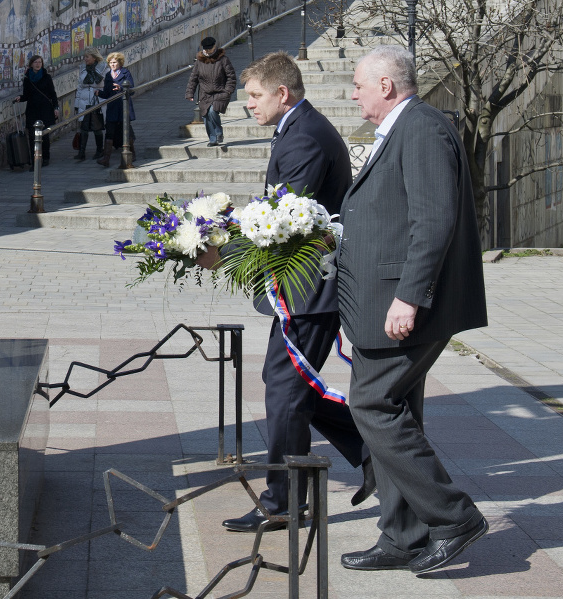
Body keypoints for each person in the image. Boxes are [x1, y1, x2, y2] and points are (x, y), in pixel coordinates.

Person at [197, 52, 375, 533]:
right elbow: (277, 210)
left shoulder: (305, 138)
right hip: (303, 286)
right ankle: (374, 448)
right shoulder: (299, 129)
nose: (247, 104)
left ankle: (285, 501)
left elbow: (283, 219)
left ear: (283, 93)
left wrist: (221, 248)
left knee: (286, 387)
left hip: (312, 287)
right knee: (288, 386)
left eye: (254, 96)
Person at [337, 46, 489, 574]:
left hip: (404, 304)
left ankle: (454, 517)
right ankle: (402, 534)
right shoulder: (404, 127)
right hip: (382, 301)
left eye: (358, 84)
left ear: (385, 85)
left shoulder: (421, 127)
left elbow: (433, 220)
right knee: (393, 410)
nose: (352, 93)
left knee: (373, 405)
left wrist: (408, 295)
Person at [185, 36, 236, 147]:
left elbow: (231, 77)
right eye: (205, 49)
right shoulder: (199, 61)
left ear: (214, 47)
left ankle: (218, 133)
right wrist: (190, 93)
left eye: (210, 49)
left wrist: (228, 91)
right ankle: (212, 139)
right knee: (205, 115)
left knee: (213, 111)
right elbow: (193, 78)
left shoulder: (223, 60)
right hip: (205, 93)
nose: (207, 51)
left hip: (220, 92)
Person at [15, 55, 59, 169]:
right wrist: (20, 98)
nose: (38, 64)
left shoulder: (46, 77)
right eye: (35, 62)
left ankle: (45, 158)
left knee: (44, 135)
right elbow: (26, 95)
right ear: (31, 64)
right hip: (32, 109)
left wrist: (56, 107)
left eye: (40, 62)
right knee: (32, 136)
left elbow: (52, 94)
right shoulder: (27, 78)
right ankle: (34, 161)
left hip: (45, 109)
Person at [96, 52, 136, 167]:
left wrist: (122, 87)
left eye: (114, 62)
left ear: (120, 63)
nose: (112, 65)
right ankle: (106, 158)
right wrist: (99, 93)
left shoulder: (125, 72)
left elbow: (132, 89)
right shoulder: (108, 75)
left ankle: (132, 154)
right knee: (109, 131)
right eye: (110, 63)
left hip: (123, 106)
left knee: (126, 130)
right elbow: (107, 92)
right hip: (112, 107)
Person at [74, 47, 109, 161]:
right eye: (85, 57)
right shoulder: (83, 69)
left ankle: (100, 150)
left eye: (87, 57)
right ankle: (81, 152)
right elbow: (79, 86)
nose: (85, 59)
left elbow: (105, 84)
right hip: (84, 100)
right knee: (83, 127)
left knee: (97, 127)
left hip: (97, 99)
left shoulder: (104, 69)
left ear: (94, 58)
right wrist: (77, 103)